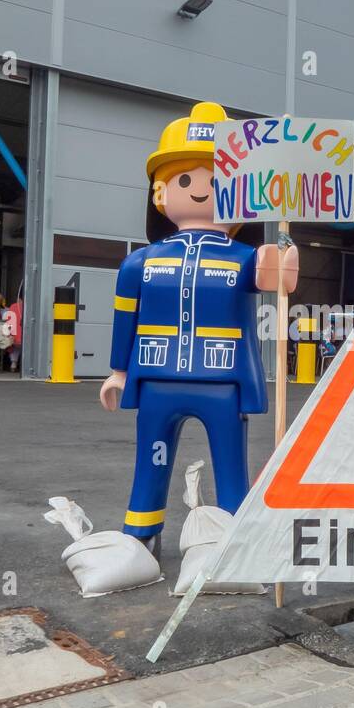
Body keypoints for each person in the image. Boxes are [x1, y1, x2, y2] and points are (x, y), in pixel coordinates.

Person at [98, 101, 298, 555]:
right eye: (185, 180)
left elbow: (277, 285)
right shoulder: (141, 261)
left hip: (221, 378)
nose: (202, 191)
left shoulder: (248, 258)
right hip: (155, 376)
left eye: (219, 182)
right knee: (151, 460)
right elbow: (125, 316)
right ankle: (141, 534)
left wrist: (284, 262)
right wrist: (118, 371)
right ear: (161, 193)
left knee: (231, 465)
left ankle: (233, 539)